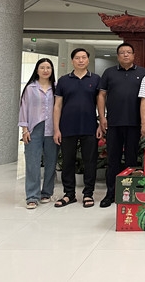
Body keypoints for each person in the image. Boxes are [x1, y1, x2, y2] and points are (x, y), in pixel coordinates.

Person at [97, 42, 145, 208]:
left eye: (128, 52)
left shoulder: (143, 73)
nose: (125, 55)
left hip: (134, 123)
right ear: (118, 56)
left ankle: (129, 192)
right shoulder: (109, 72)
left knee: (131, 160)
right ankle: (110, 193)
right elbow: (101, 95)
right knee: (113, 159)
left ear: (134, 55)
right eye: (122, 52)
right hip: (114, 123)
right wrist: (102, 117)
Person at [53, 48, 101, 208]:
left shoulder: (95, 79)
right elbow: (57, 106)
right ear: (72, 61)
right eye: (77, 58)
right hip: (67, 127)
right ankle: (69, 194)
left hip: (90, 126)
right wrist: (56, 129)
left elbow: (100, 103)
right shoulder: (63, 80)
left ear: (88, 60)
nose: (81, 60)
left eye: (83, 57)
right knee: (67, 162)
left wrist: (101, 123)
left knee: (90, 162)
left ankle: (88, 194)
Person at [18, 58, 58, 209]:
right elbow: (24, 109)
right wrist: (24, 129)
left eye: (48, 67)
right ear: (37, 70)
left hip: (52, 128)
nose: (45, 70)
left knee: (51, 162)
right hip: (34, 128)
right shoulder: (30, 88)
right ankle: (32, 196)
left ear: (52, 70)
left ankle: (46, 192)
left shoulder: (56, 87)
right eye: (42, 67)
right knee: (32, 163)